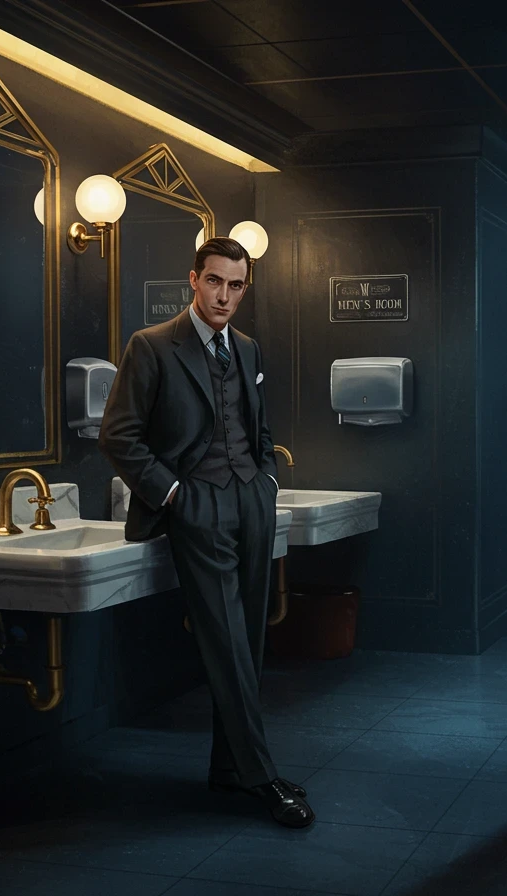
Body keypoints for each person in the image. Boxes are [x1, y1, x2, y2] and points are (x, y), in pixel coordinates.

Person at [99, 236, 314, 829]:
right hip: (197, 508)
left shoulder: (245, 347)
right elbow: (119, 436)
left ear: (246, 288)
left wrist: (265, 481)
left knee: (248, 639)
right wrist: (173, 495)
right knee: (226, 645)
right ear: (193, 280)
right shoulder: (151, 346)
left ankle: (229, 769)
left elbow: (259, 428)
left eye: (236, 285)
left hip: (251, 501)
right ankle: (261, 776)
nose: (224, 295)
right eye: (214, 281)